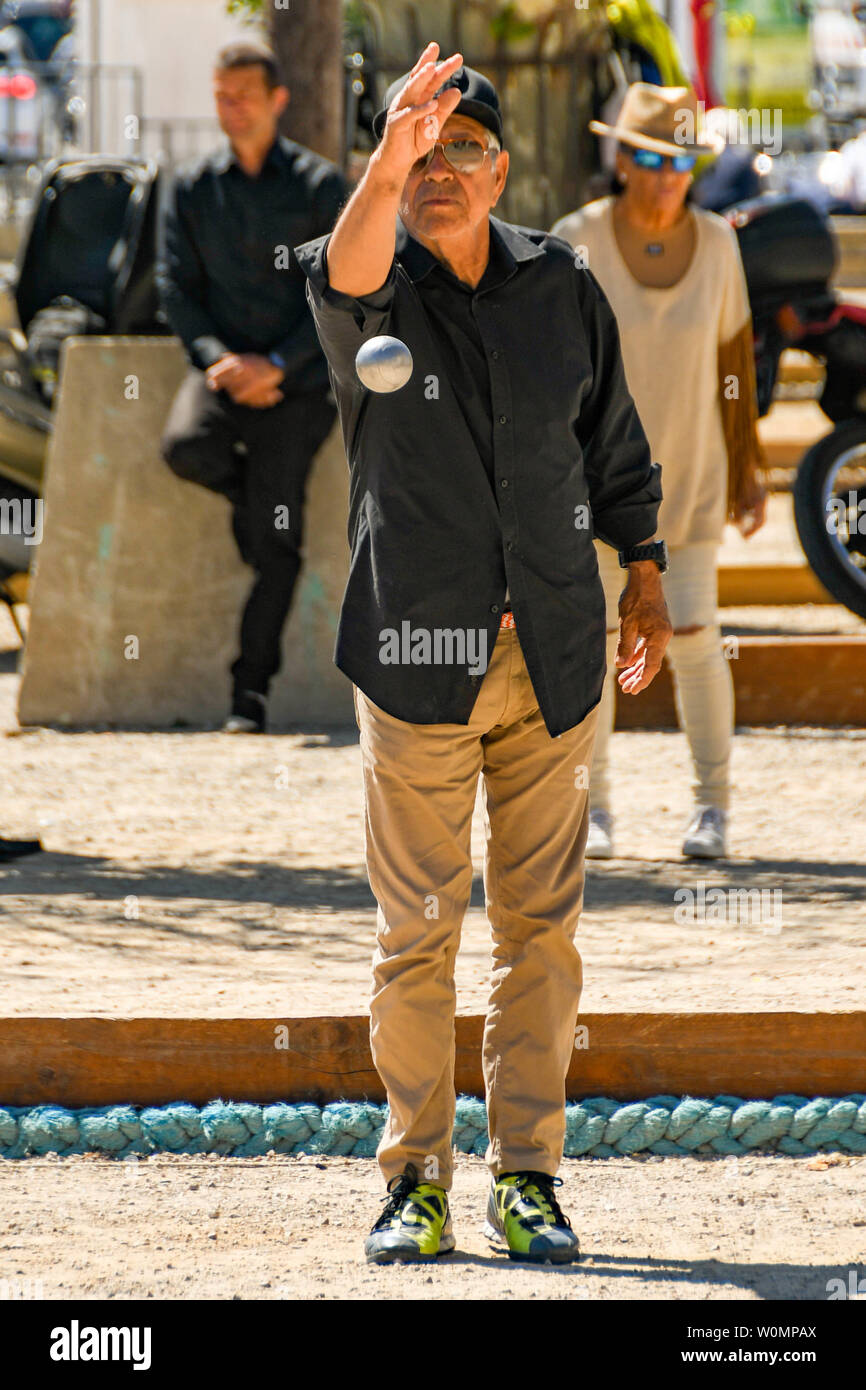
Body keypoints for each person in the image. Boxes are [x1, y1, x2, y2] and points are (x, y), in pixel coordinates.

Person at [294, 44, 671, 1265]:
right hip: (414, 664)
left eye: (462, 147)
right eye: (422, 148)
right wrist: (386, 147)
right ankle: (413, 1181)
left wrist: (647, 574)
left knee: (541, 933)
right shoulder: (370, 284)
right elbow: (346, 266)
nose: (439, 168)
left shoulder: (560, 288)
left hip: (551, 664)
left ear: (500, 169)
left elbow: (612, 446)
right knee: (416, 936)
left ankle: (527, 1177)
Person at [551, 84, 767, 860]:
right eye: (648, 157)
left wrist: (749, 470)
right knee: (599, 640)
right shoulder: (573, 240)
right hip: (594, 485)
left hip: (694, 473)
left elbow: (734, 364)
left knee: (699, 638)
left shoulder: (719, 243)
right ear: (621, 160)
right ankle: (595, 807)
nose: (665, 175)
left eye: (680, 161)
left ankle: (712, 808)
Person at [157, 42, 349, 732]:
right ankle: (249, 507)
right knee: (183, 447)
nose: (230, 107)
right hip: (220, 373)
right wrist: (219, 361)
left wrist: (280, 365)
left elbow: (337, 288)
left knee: (279, 541)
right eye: (221, 95)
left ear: (276, 100)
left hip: (297, 387)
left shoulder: (321, 188)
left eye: (243, 94)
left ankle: (250, 695)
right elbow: (173, 287)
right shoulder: (190, 186)